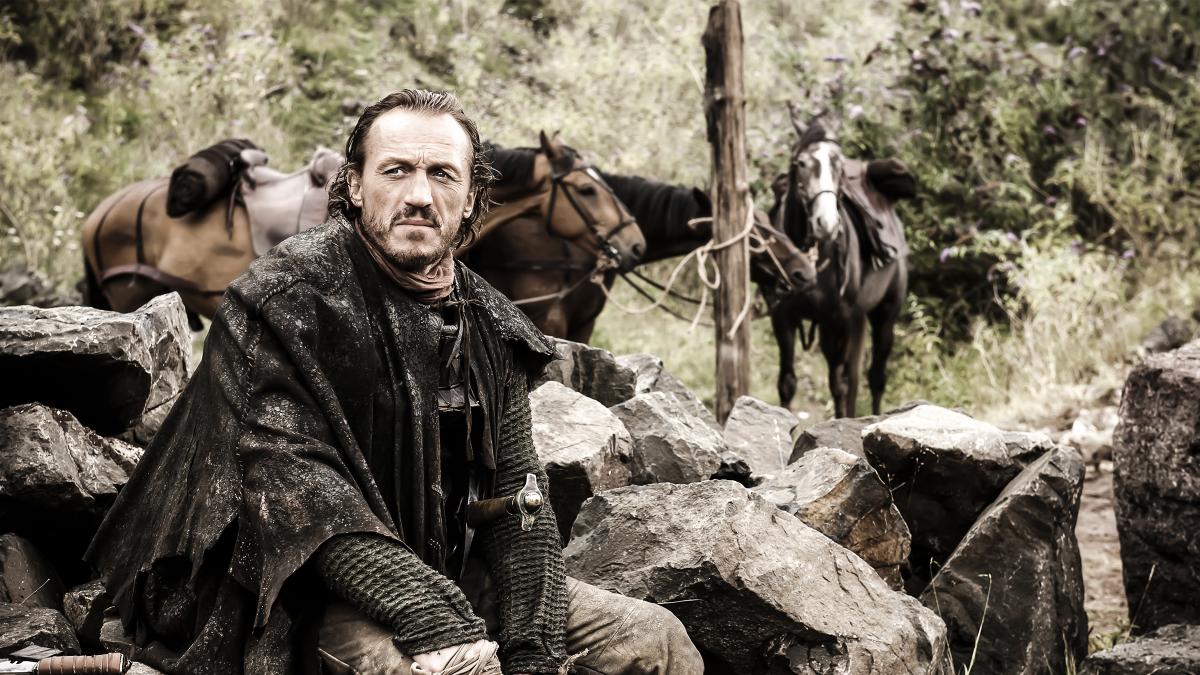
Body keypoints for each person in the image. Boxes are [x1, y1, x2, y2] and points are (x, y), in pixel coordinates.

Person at [86, 90, 704, 675]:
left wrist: (532, 647)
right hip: (289, 590)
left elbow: (518, 498)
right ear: (355, 186)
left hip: (442, 572)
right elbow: (299, 495)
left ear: (471, 198)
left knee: (655, 639)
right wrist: (437, 623)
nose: (419, 195)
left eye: (442, 175)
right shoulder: (281, 302)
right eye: (396, 171)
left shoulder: (489, 323)